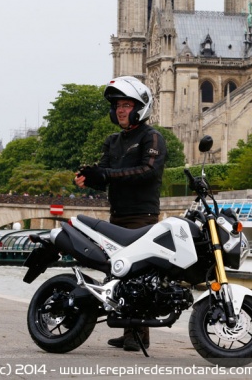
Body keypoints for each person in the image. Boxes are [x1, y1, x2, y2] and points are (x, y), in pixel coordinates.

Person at [74, 76, 167, 352]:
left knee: (138, 275)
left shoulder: (152, 137)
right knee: (119, 274)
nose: (121, 110)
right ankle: (130, 328)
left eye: (126, 105)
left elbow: (147, 171)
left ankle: (137, 334)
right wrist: (88, 177)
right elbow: (105, 177)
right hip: (118, 215)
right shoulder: (112, 141)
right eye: (117, 106)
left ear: (140, 108)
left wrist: (106, 173)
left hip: (143, 216)